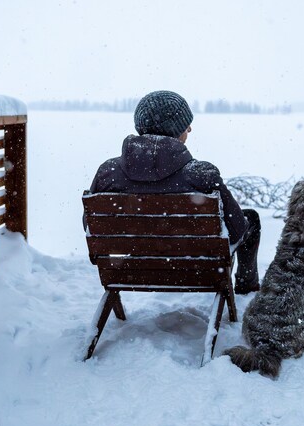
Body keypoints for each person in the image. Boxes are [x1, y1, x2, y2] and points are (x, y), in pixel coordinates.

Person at [90, 90, 261, 293]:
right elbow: (237, 230)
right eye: (185, 124)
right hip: (196, 271)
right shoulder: (202, 175)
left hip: (131, 271)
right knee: (251, 218)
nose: (190, 128)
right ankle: (247, 287)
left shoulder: (107, 173)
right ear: (176, 129)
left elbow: (91, 226)